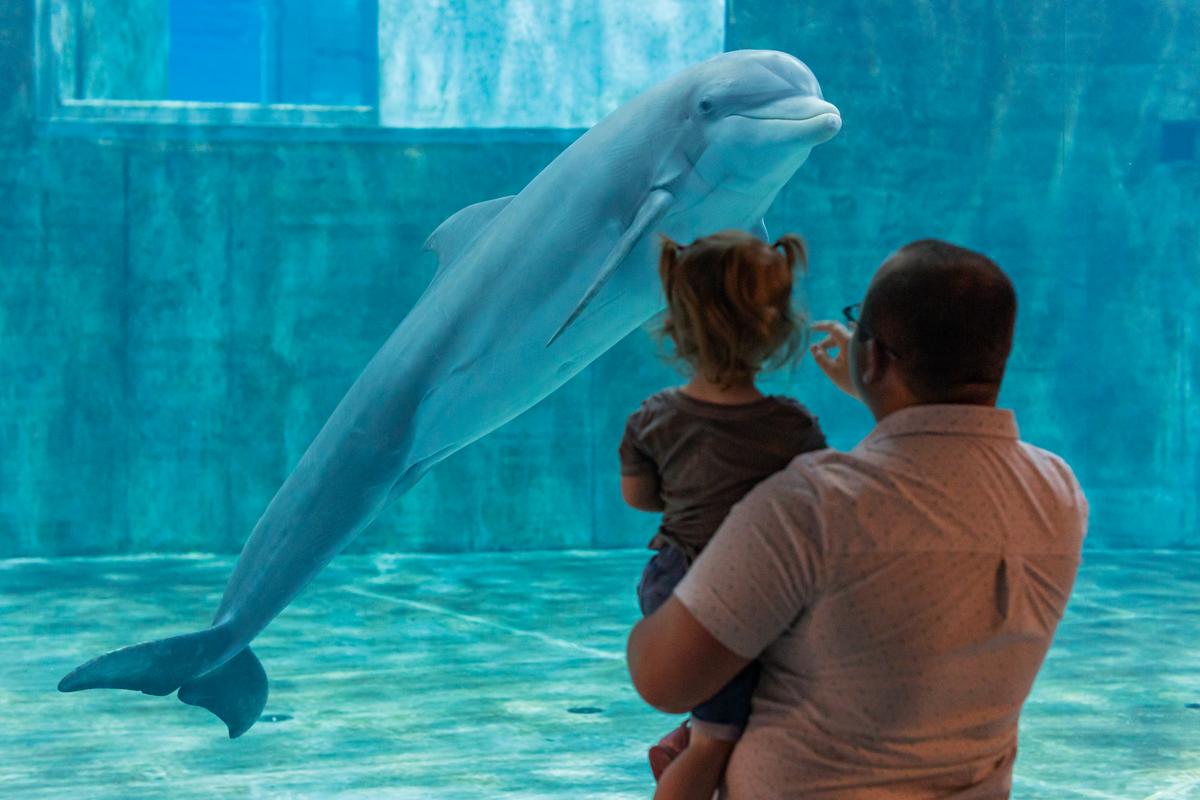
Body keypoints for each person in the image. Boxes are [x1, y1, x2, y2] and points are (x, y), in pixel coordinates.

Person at [627, 239, 1089, 799]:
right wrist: (878, 384)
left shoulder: (810, 506)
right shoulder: (1057, 492)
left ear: (872, 356)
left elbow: (665, 679)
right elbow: (929, 482)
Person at [619, 230, 829, 799]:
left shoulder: (651, 418)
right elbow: (820, 504)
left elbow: (639, 498)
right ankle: (692, 745)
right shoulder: (793, 426)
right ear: (778, 329)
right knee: (718, 740)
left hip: (674, 584)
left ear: (676, 327)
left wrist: (689, 495)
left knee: (722, 720)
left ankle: (687, 735)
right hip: (741, 595)